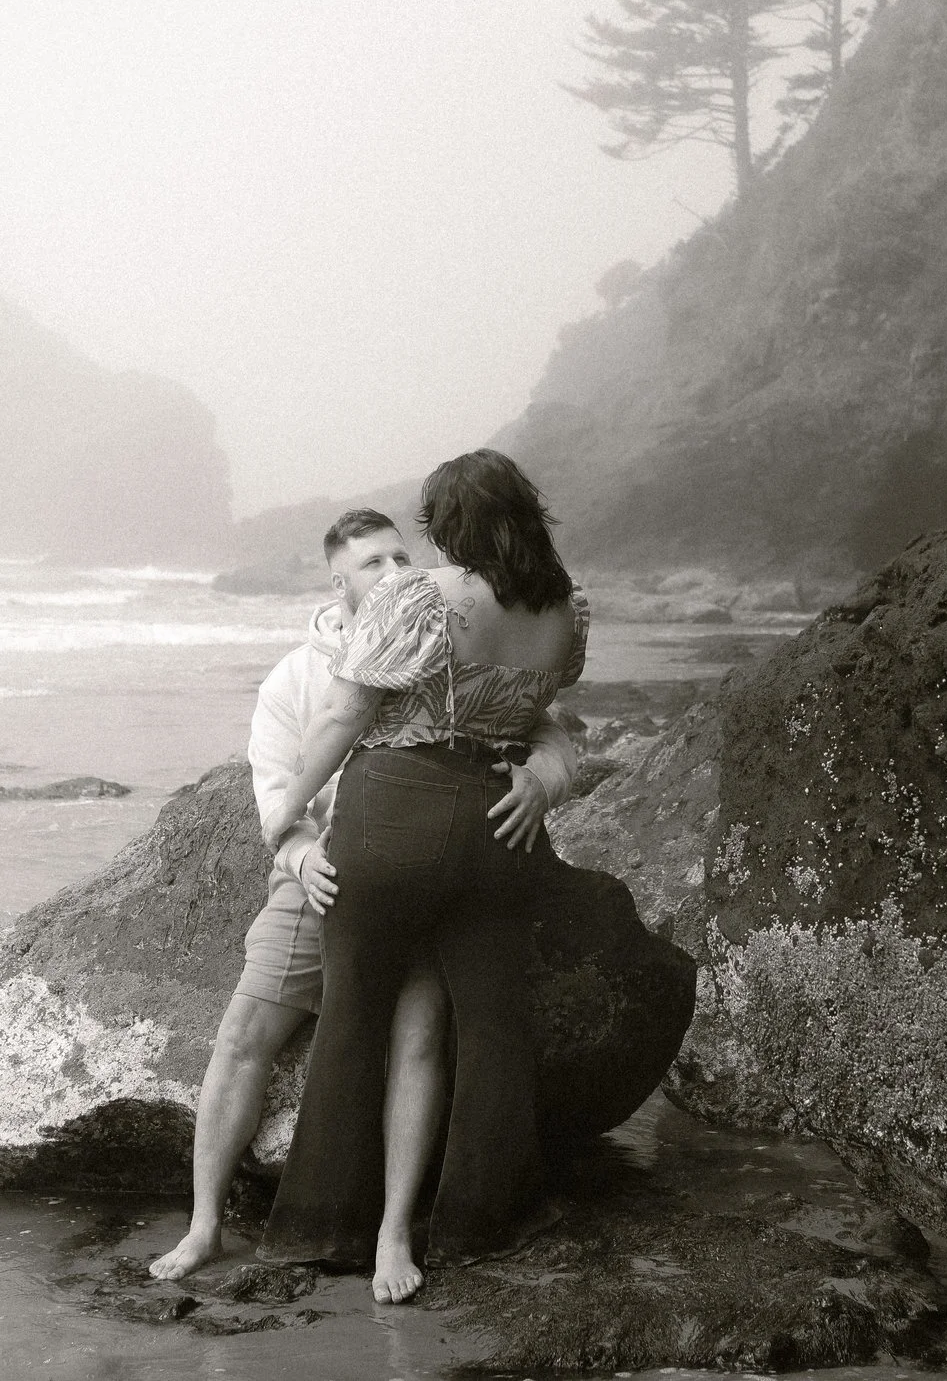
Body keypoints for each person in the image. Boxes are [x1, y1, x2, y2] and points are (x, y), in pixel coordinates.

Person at [146, 507, 574, 1285]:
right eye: (372, 564)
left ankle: (394, 1234)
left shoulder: (438, 637)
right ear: (336, 581)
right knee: (245, 1029)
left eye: (400, 558)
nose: (393, 574)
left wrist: (542, 779)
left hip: (420, 878)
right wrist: (300, 849)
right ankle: (205, 1222)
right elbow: (277, 788)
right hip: (322, 876)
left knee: (418, 1036)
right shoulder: (297, 675)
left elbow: (531, 719)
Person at [255, 450, 589, 1303]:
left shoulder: (423, 595)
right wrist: (545, 779)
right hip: (497, 827)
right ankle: (483, 1221)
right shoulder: (564, 614)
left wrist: (285, 809)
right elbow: (548, 715)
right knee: (490, 1027)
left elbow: (343, 711)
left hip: (396, 810)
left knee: (355, 1011)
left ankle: (325, 1224)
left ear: (451, 525)